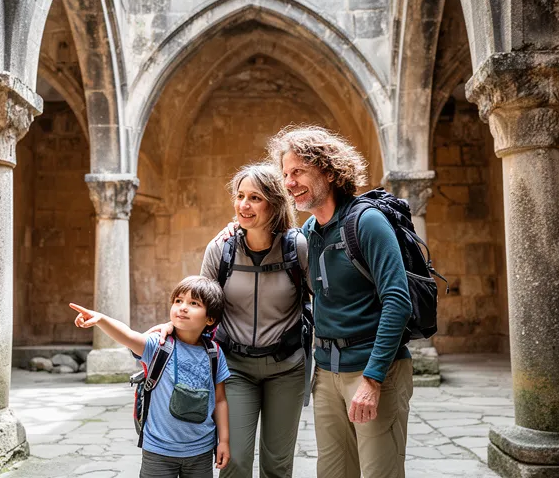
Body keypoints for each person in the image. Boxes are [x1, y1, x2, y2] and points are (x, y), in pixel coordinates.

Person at [269, 125, 413, 478]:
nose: (289, 183)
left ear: (330, 172)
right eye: (286, 174)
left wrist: (373, 379)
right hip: (327, 373)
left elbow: (398, 301)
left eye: (298, 171)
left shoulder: (367, 222)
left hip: (374, 371)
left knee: (381, 472)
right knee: (332, 472)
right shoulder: (309, 234)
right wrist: (235, 231)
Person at [150, 163, 310, 478]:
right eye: (239, 196)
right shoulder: (221, 248)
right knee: (234, 460)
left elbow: (320, 298)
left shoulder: (297, 247)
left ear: (274, 203)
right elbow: (199, 300)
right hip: (234, 367)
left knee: (278, 465)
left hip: (287, 367)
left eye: (254, 198)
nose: (243, 205)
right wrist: (172, 326)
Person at [69, 276, 231, 478]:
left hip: (200, 450)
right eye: (178, 301)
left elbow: (220, 400)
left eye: (194, 303)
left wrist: (223, 441)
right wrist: (101, 319)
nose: (182, 307)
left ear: (210, 319)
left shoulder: (214, 353)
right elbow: (128, 335)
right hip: (158, 450)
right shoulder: (158, 344)